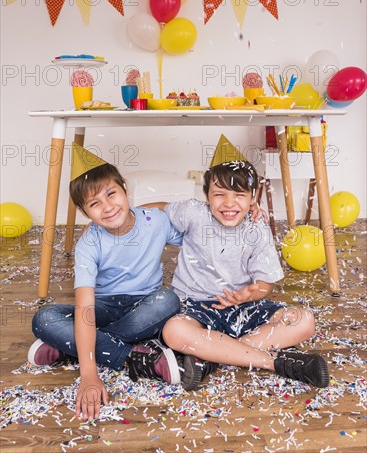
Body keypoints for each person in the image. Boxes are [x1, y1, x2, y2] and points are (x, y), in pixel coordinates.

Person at [27, 144, 199, 422]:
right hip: (102, 307)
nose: (107, 207)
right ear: (85, 212)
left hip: (145, 306)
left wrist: (244, 210)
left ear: (125, 188)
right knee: (44, 319)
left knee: (168, 300)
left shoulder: (156, 221)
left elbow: (196, 227)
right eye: (95, 204)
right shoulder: (89, 243)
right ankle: (132, 357)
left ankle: (69, 347)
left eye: (111, 194)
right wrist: (89, 375)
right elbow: (85, 307)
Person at [160, 137, 330, 390]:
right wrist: (126, 214)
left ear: (253, 197)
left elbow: (265, 285)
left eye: (239, 195)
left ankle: (211, 358)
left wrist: (249, 293)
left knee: (304, 321)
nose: (229, 204)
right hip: (195, 306)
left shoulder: (256, 227)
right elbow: (156, 211)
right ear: (206, 195)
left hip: (243, 308)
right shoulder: (193, 212)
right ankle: (271, 362)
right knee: (173, 331)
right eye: (219, 195)